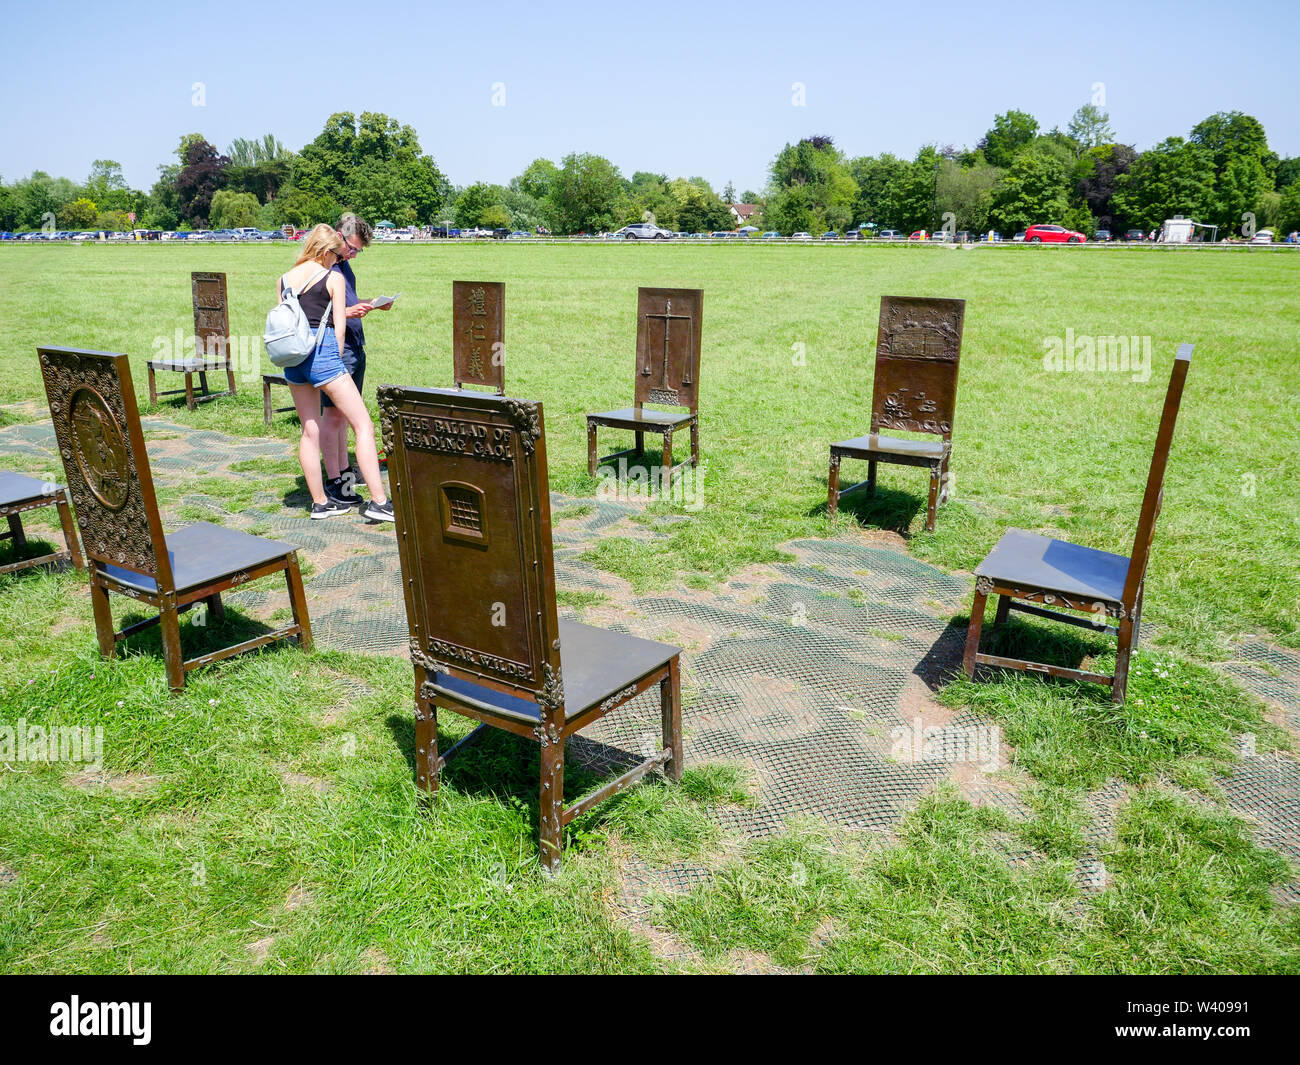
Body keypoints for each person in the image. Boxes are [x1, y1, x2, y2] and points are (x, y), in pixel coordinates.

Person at [277, 224, 393, 523]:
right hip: (324, 354)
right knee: (364, 426)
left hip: (293, 357)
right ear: (327, 251)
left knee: (309, 430)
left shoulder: (284, 279)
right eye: (339, 253)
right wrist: (336, 362)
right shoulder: (334, 277)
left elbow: (284, 318)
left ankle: (320, 503)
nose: (342, 258)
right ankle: (379, 502)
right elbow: (339, 326)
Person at [320, 213, 391, 507]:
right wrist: (348, 313)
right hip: (338, 347)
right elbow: (317, 309)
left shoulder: (344, 266)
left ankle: (344, 474)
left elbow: (345, 302)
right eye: (353, 248)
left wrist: (368, 306)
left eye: (358, 251)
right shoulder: (323, 266)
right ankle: (335, 480)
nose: (353, 254)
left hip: (354, 343)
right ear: (338, 235)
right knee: (334, 416)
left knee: (344, 417)